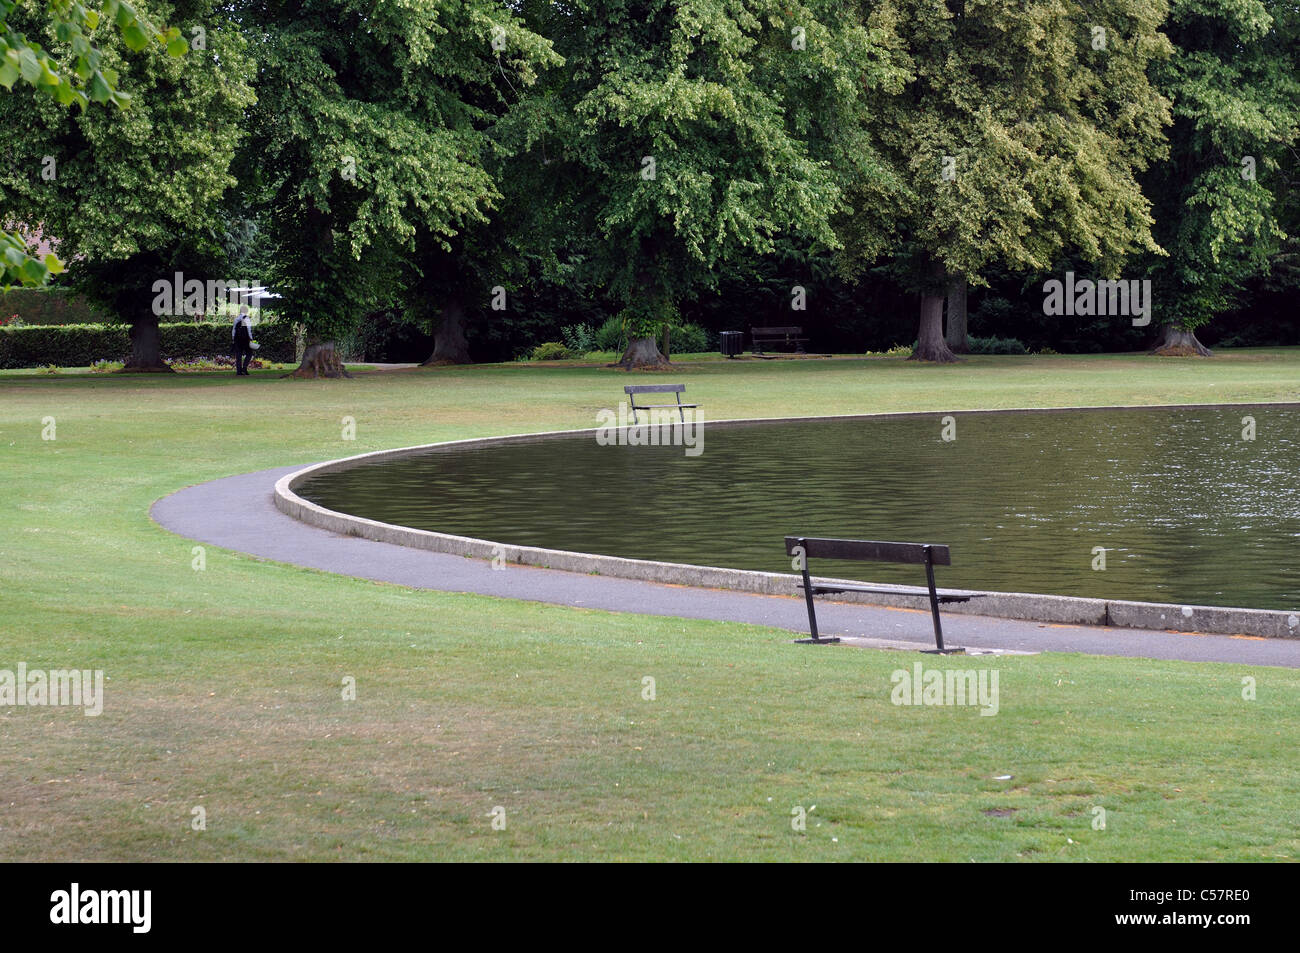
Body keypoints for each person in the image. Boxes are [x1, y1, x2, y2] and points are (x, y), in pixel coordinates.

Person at [231, 305, 255, 375]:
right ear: (246, 311)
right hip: (245, 339)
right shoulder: (247, 318)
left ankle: (239, 371)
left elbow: (234, 330)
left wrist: (233, 339)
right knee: (249, 353)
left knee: (238, 355)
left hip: (237, 339)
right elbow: (248, 329)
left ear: (240, 311)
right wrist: (251, 338)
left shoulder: (236, 319)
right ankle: (244, 368)